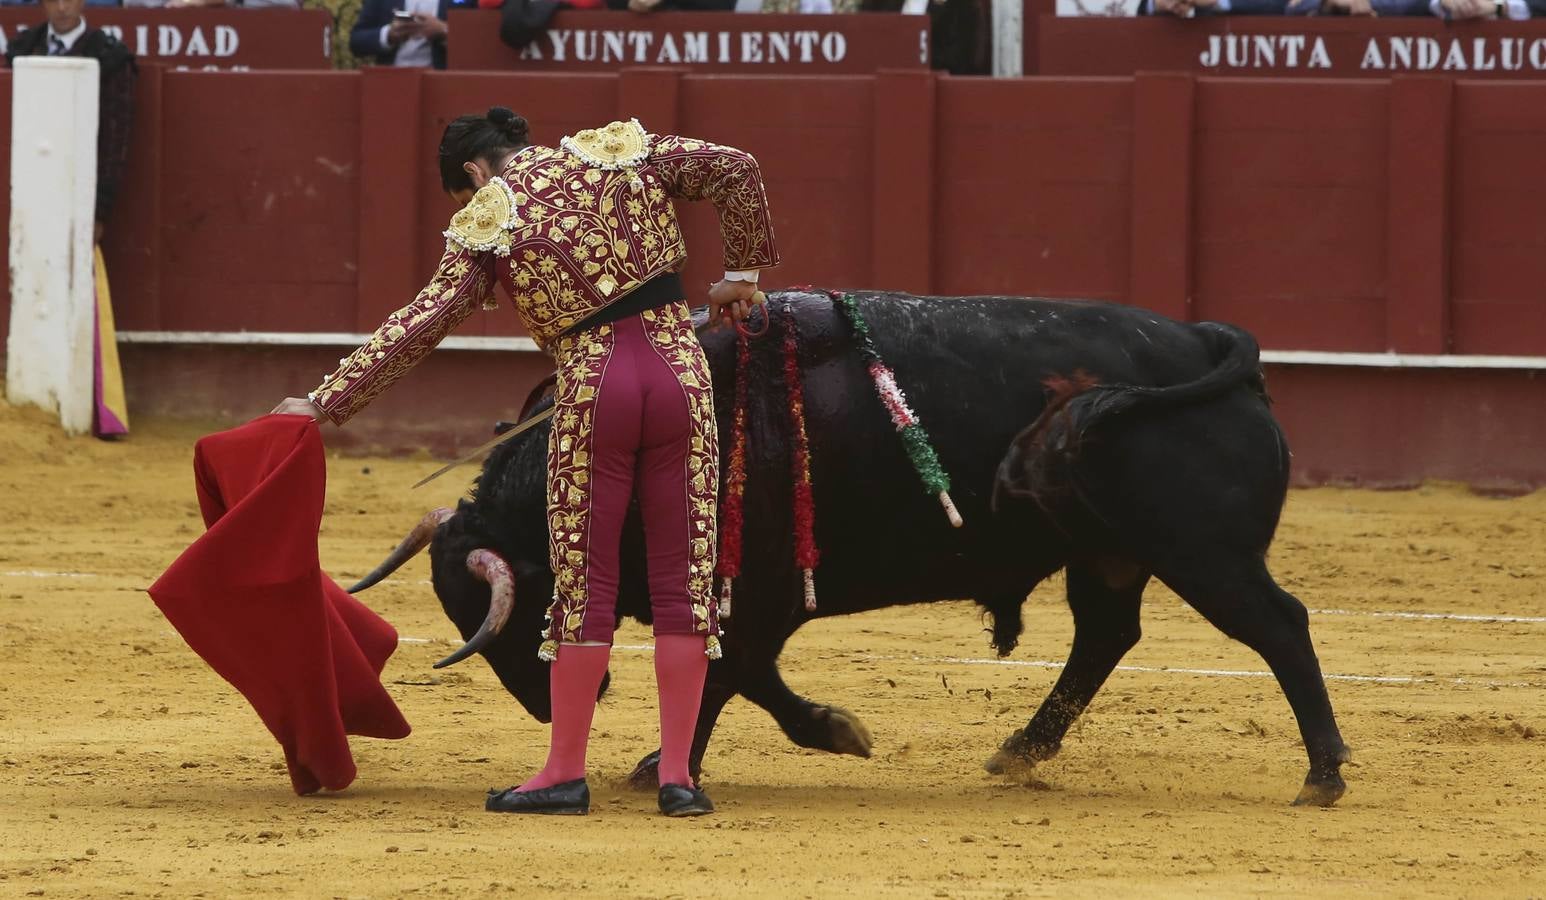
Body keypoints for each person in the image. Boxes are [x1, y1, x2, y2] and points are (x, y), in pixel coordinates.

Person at [272, 108, 778, 817]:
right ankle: (678, 778)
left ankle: (565, 773)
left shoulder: (493, 213)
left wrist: (326, 401)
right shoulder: (617, 151)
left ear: (475, 173)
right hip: (679, 373)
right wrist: (743, 274)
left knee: (587, 583)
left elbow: (426, 318)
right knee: (683, 580)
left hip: (593, 384)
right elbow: (738, 167)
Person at [5, 0, 136, 438]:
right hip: (25, 200)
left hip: (81, 199)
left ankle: (91, 402)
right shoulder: (20, 49)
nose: (62, 5)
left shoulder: (111, 58)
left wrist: (99, 208)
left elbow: (116, 142)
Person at [351, 0, 451, 69]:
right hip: (391, 80)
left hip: (442, 81)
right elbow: (356, 41)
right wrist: (388, 34)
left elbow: (466, 42)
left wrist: (444, 31)